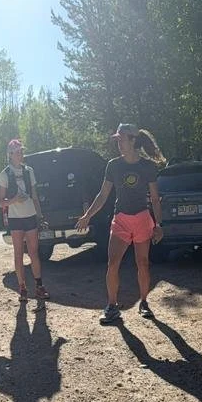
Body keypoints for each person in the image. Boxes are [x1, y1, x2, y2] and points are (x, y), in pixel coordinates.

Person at [76, 123, 166, 325]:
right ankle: (111, 306)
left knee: (142, 263)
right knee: (113, 263)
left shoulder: (147, 166)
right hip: (121, 220)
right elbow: (103, 194)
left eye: (122, 139)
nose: (118, 143)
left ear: (133, 140)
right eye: (117, 139)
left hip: (143, 218)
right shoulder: (113, 165)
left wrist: (158, 224)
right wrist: (87, 215)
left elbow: (155, 197)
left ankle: (144, 303)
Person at [0, 139, 49, 303]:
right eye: (18, 152)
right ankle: (22, 288)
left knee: (34, 253)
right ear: (10, 154)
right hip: (15, 219)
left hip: (30, 216)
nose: (21, 154)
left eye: (22, 151)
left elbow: (34, 196)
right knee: (18, 254)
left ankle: (39, 286)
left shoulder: (29, 171)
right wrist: (14, 200)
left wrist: (40, 216)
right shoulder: (5, 173)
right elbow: (0, 202)